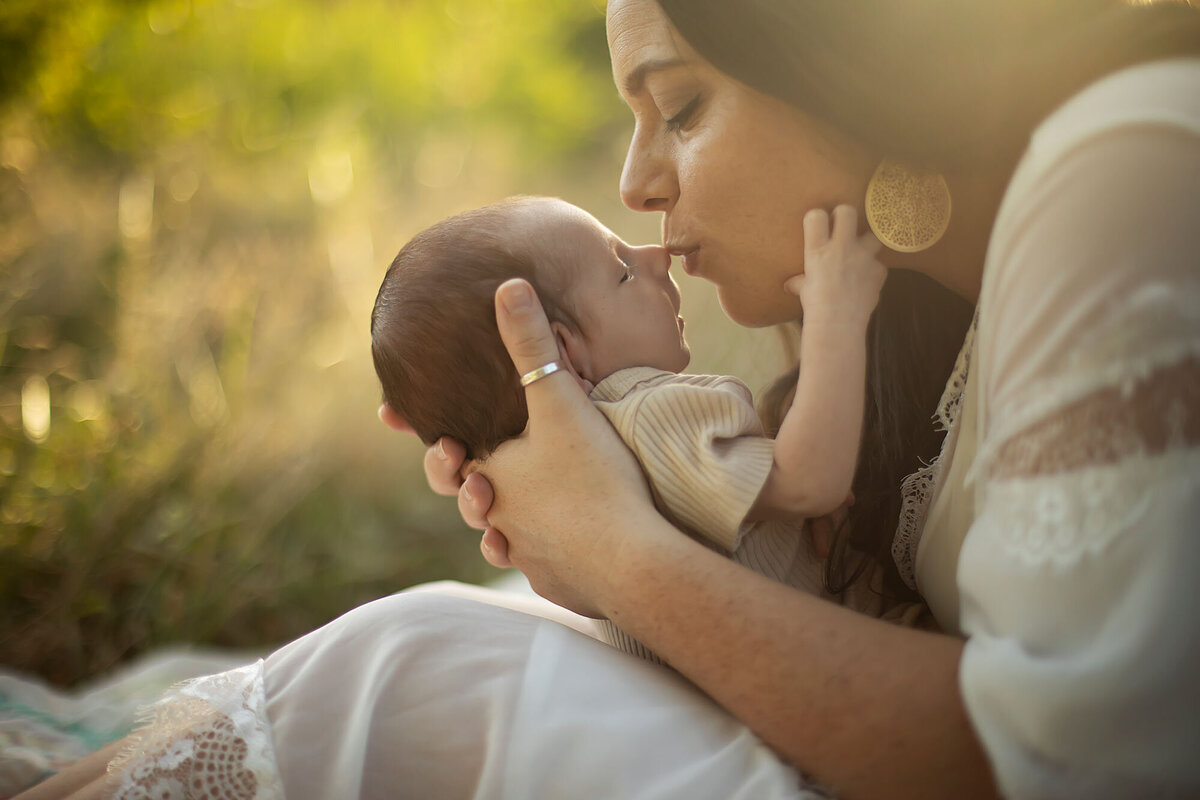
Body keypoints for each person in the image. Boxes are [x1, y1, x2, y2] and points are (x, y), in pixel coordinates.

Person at [17, 1, 1200, 798]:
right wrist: (574, 527)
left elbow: (1055, 762)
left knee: (414, 658)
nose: (638, 183)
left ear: (845, 58)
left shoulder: (1123, 177)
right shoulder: (922, 308)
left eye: (679, 106)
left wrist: (621, 552)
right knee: (432, 637)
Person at [371, 195, 937, 663]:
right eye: (620, 271)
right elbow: (810, 482)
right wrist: (837, 310)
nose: (655, 256)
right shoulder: (647, 414)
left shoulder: (547, 479)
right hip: (866, 654)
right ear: (563, 353)